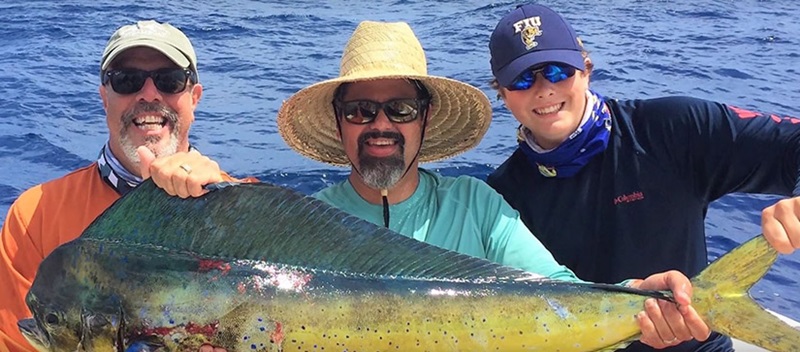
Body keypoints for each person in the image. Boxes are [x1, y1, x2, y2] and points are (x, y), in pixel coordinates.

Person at [155, 20, 711, 348]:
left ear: (424, 119)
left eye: (399, 109)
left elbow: (558, 293)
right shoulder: (305, 221)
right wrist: (209, 193)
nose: (380, 126)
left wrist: (636, 300)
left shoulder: (478, 207)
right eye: (360, 110)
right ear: (339, 121)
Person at [485, 3, 800, 351]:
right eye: (523, 78)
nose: (543, 89)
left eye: (558, 71)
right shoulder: (499, 199)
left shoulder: (672, 129)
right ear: (501, 93)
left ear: (586, 69)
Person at [0, 20, 245, 352]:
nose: (148, 94)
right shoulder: (34, 216)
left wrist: (221, 205)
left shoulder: (244, 206)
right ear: (104, 98)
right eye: (127, 81)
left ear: (194, 99)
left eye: (169, 81)